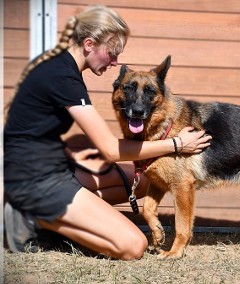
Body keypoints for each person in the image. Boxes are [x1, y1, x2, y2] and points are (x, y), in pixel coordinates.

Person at [4, 5, 211, 260]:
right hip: (35, 180)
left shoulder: (59, 66)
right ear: (89, 44)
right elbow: (111, 150)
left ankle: (65, 216)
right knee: (133, 246)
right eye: (112, 54)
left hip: (49, 167)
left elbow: (28, 127)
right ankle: (35, 216)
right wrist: (178, 144)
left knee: (147, 179)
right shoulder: (63, 78)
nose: (115, 63)